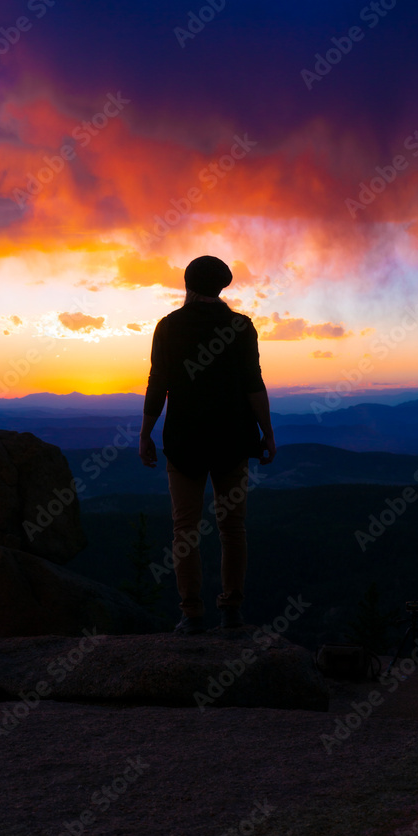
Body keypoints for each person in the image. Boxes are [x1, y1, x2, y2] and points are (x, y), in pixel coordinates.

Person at [138, 255, 276, 634]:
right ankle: (232, 610)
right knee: (233, 527)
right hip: (233, 440)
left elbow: (158, 383)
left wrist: (145, 433)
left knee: (185, 529)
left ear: (188, 284)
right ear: (222, 285)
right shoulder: (242, 326)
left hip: (184, 442)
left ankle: (192, 613)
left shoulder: (169, 327)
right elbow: (253, 383)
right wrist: (268, 432)